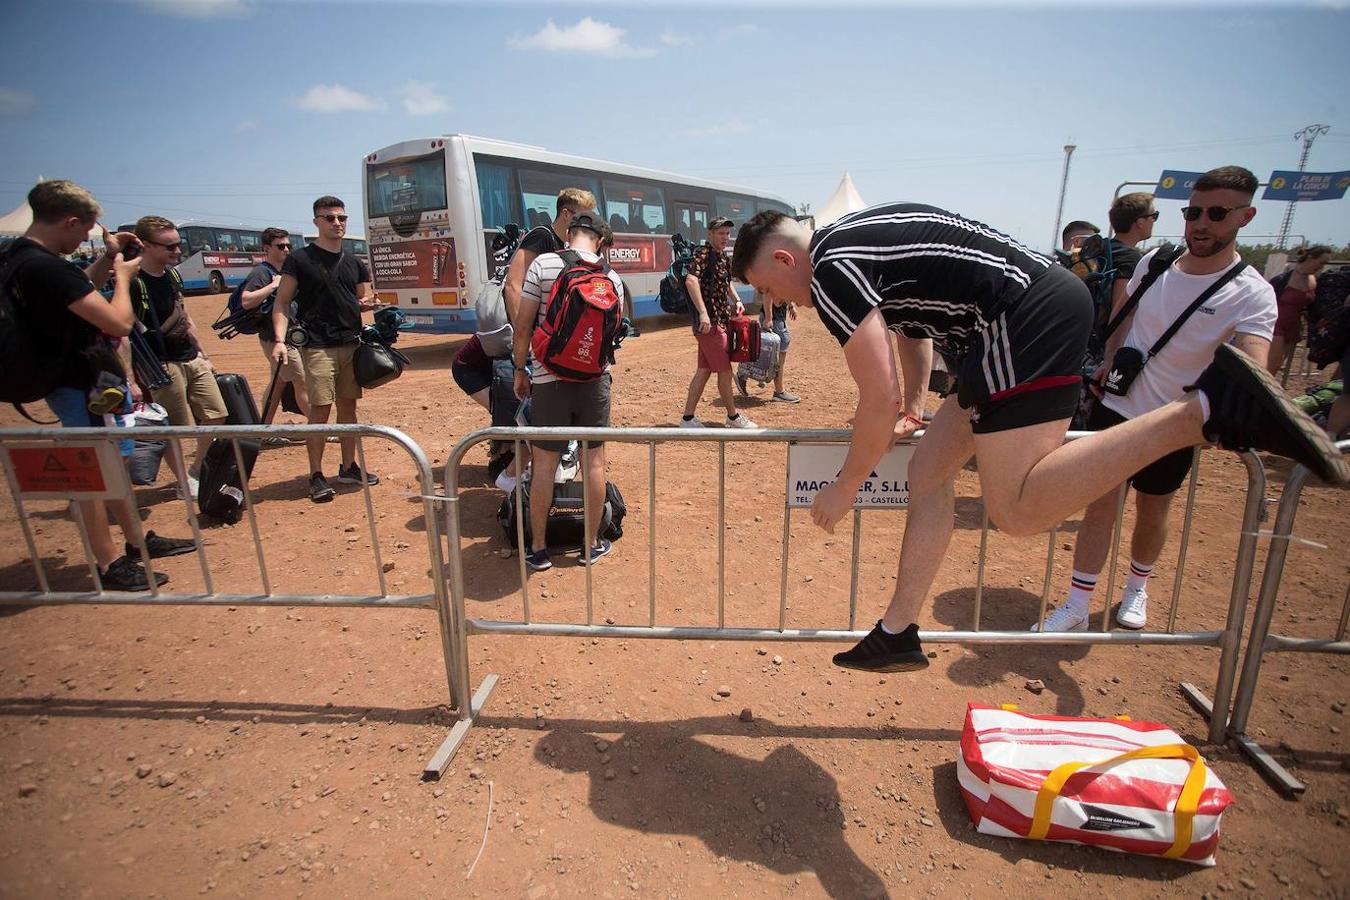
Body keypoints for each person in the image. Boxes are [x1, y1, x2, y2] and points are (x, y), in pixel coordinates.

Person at [730, 192, 1347, 675]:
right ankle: (898, 632)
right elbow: (910, 327)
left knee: (1019, 510)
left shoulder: (833, 267)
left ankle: (1204, 410)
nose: (777, 300)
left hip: (1021, 318)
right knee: (928, 470)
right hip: (1014, 320)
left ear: (785, 258)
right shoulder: (854, 239)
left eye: (765, 287)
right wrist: (915, 406)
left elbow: (875, 394)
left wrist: (846, 485)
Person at [1034, 167, 1277, 632]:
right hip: (1117, 410)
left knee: (1153, 508)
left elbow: (1255, 363)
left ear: (1245, 216)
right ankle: (1077, 605)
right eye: (1193, 212)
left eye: (1216, 213)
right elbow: (1127, 318)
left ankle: (1135, 590)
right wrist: (1109, 360)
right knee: (1100, 503)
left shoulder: (1253, 294)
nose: (1201, 223)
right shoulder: (1156, 262)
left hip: (1172, 424)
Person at [9, 181, 194, 590]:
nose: (84, 240)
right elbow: (117, 322)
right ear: (70, 221)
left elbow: (80, 292)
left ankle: (135, 542)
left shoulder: (23, 260)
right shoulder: (45, 266)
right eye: (86, 231)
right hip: (78, 385)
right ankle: (109, 562)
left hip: (89, 383)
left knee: (111, 469)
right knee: (88, 477)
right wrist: (124, 278)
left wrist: (111, 259)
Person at [510, 210, 624, 571]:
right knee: (594, 461)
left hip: (548, 379)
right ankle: (590, 546)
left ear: (570, 233)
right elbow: (612, 336)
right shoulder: (612, 278)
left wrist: (519, 369)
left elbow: (524, 324)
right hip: (594, 381)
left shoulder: (543, 264)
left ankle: (539, 549)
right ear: (601, 241)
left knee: (544, 465)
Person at [270, 196, 378, 502]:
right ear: (316, 221)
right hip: (318, 346)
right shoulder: (300, 260)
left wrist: (369, 304)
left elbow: (361, 300)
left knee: (349, 407)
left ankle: (348, 467)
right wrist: (279, 340)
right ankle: (316, 475)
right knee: (320, 410)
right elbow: (281, 301)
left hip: (351, 344)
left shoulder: (355, 262)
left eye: (341, 218)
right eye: (329, 218)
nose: (337, 223)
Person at [132, 215, 228, 494]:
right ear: (145, 246)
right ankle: (185, 483)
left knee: (217, 415)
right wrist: (131, 379)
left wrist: (204, 355)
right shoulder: (134, 283)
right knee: (172, 428)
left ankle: (196, 470)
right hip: (161, 364)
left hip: (190, 357)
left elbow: (184, 318)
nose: (177, 251)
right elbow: (124, 335)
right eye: (169, 246)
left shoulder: (172, 275)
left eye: (177, 245)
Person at [680, 216, 756, 429]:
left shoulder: (723, 257)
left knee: (704, 371)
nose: (725, 237)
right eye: (721, 233)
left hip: (718, 321)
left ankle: (687, 418)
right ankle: (732, 417)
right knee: (725, 371)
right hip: (708, 323)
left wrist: (738, 300)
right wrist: (703, 313)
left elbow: (727, 282)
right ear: (710, 234)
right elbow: (691, 280)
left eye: (727, 233)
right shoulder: (703, 254)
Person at [240, 227, 309, 418]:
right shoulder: (261, 272)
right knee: (301, 381)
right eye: (280, 246)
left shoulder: (285, 271)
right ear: (267, 248)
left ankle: (264, 430)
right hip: (275, 338)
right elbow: (246, 301)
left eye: (288, 246)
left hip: (291, 335)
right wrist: (273, 285)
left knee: (277, 385)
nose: (286, 250)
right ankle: (322, 428)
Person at [1267, 244, 1332, 376]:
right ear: (1310, 257)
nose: (1321, 267)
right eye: (1321, 262)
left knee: (1278, 365)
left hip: (1294, 326)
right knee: (1271, 364)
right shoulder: (1283, 279)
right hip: (1276, 324)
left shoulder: (1314, 281)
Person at [738, 289, 800, 403]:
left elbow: (783, 290)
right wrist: (769, 317)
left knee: (761, 350)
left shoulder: (781, 273)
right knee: (778, 353)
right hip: (774, 318)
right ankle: (779, 392)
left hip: (776, 316)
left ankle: (742, 376)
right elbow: (768, 291)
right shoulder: (778, 272)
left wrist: (790, 306)